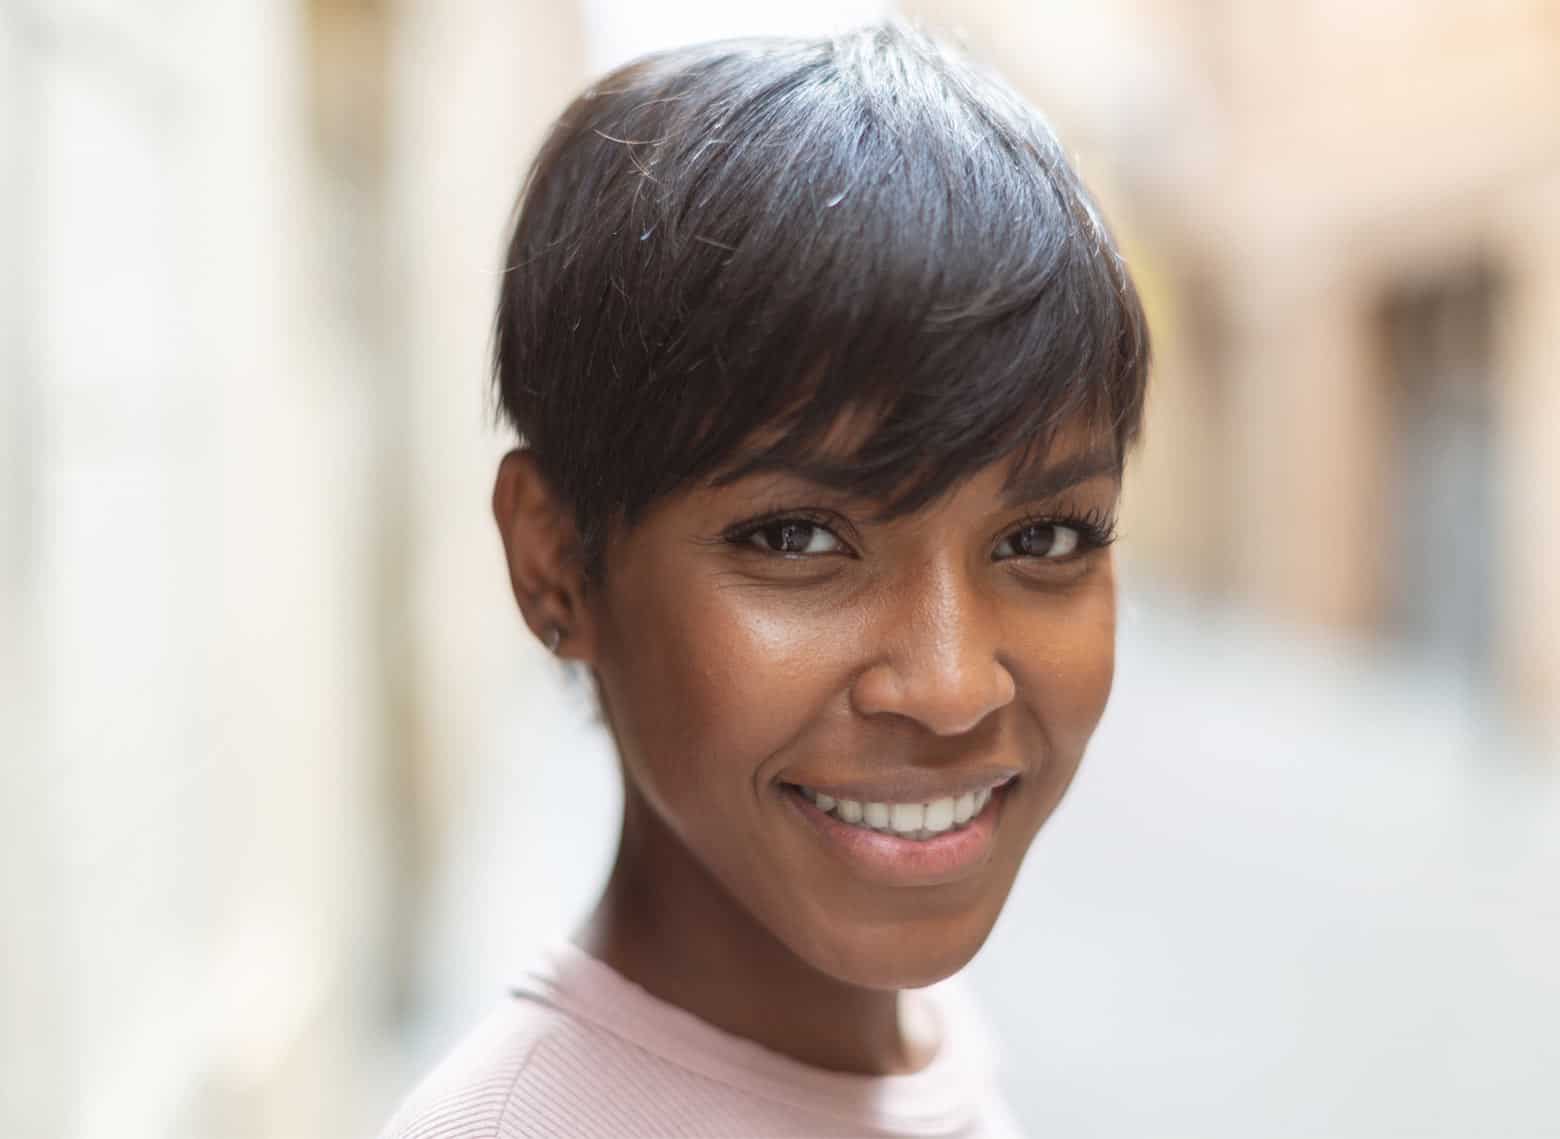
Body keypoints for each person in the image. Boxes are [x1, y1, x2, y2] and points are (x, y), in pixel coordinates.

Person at [379, 21, 1149, 1138]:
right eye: (796, 537)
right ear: (556, 565)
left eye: (1043, 540)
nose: (950, 685)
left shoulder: (920, 1031)